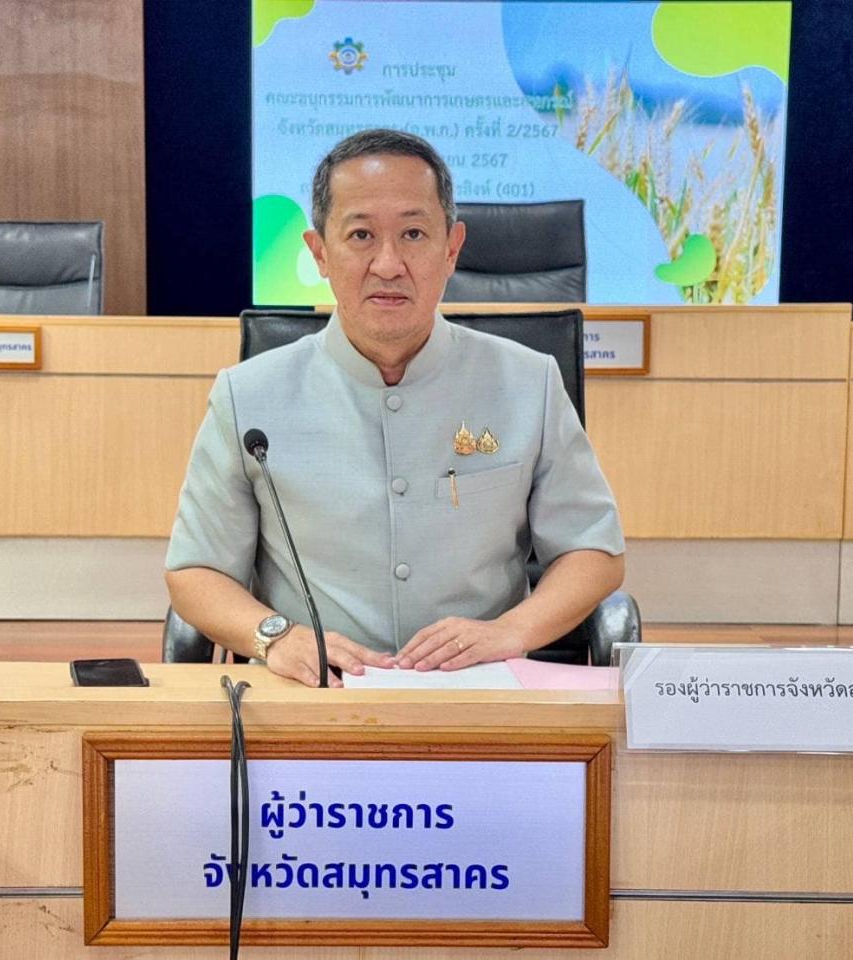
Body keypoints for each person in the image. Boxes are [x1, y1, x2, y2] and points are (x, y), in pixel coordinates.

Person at [165, 128, 624, 688]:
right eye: (361, 235)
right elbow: (196, 570)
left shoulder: (530, 383)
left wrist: (511, 631)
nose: (388, 263)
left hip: (481, 691)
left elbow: (593, 550)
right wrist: (276, 637)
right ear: (319, 252)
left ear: (451, 248)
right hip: (312, 695)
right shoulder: (248, 396)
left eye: (413, 233)